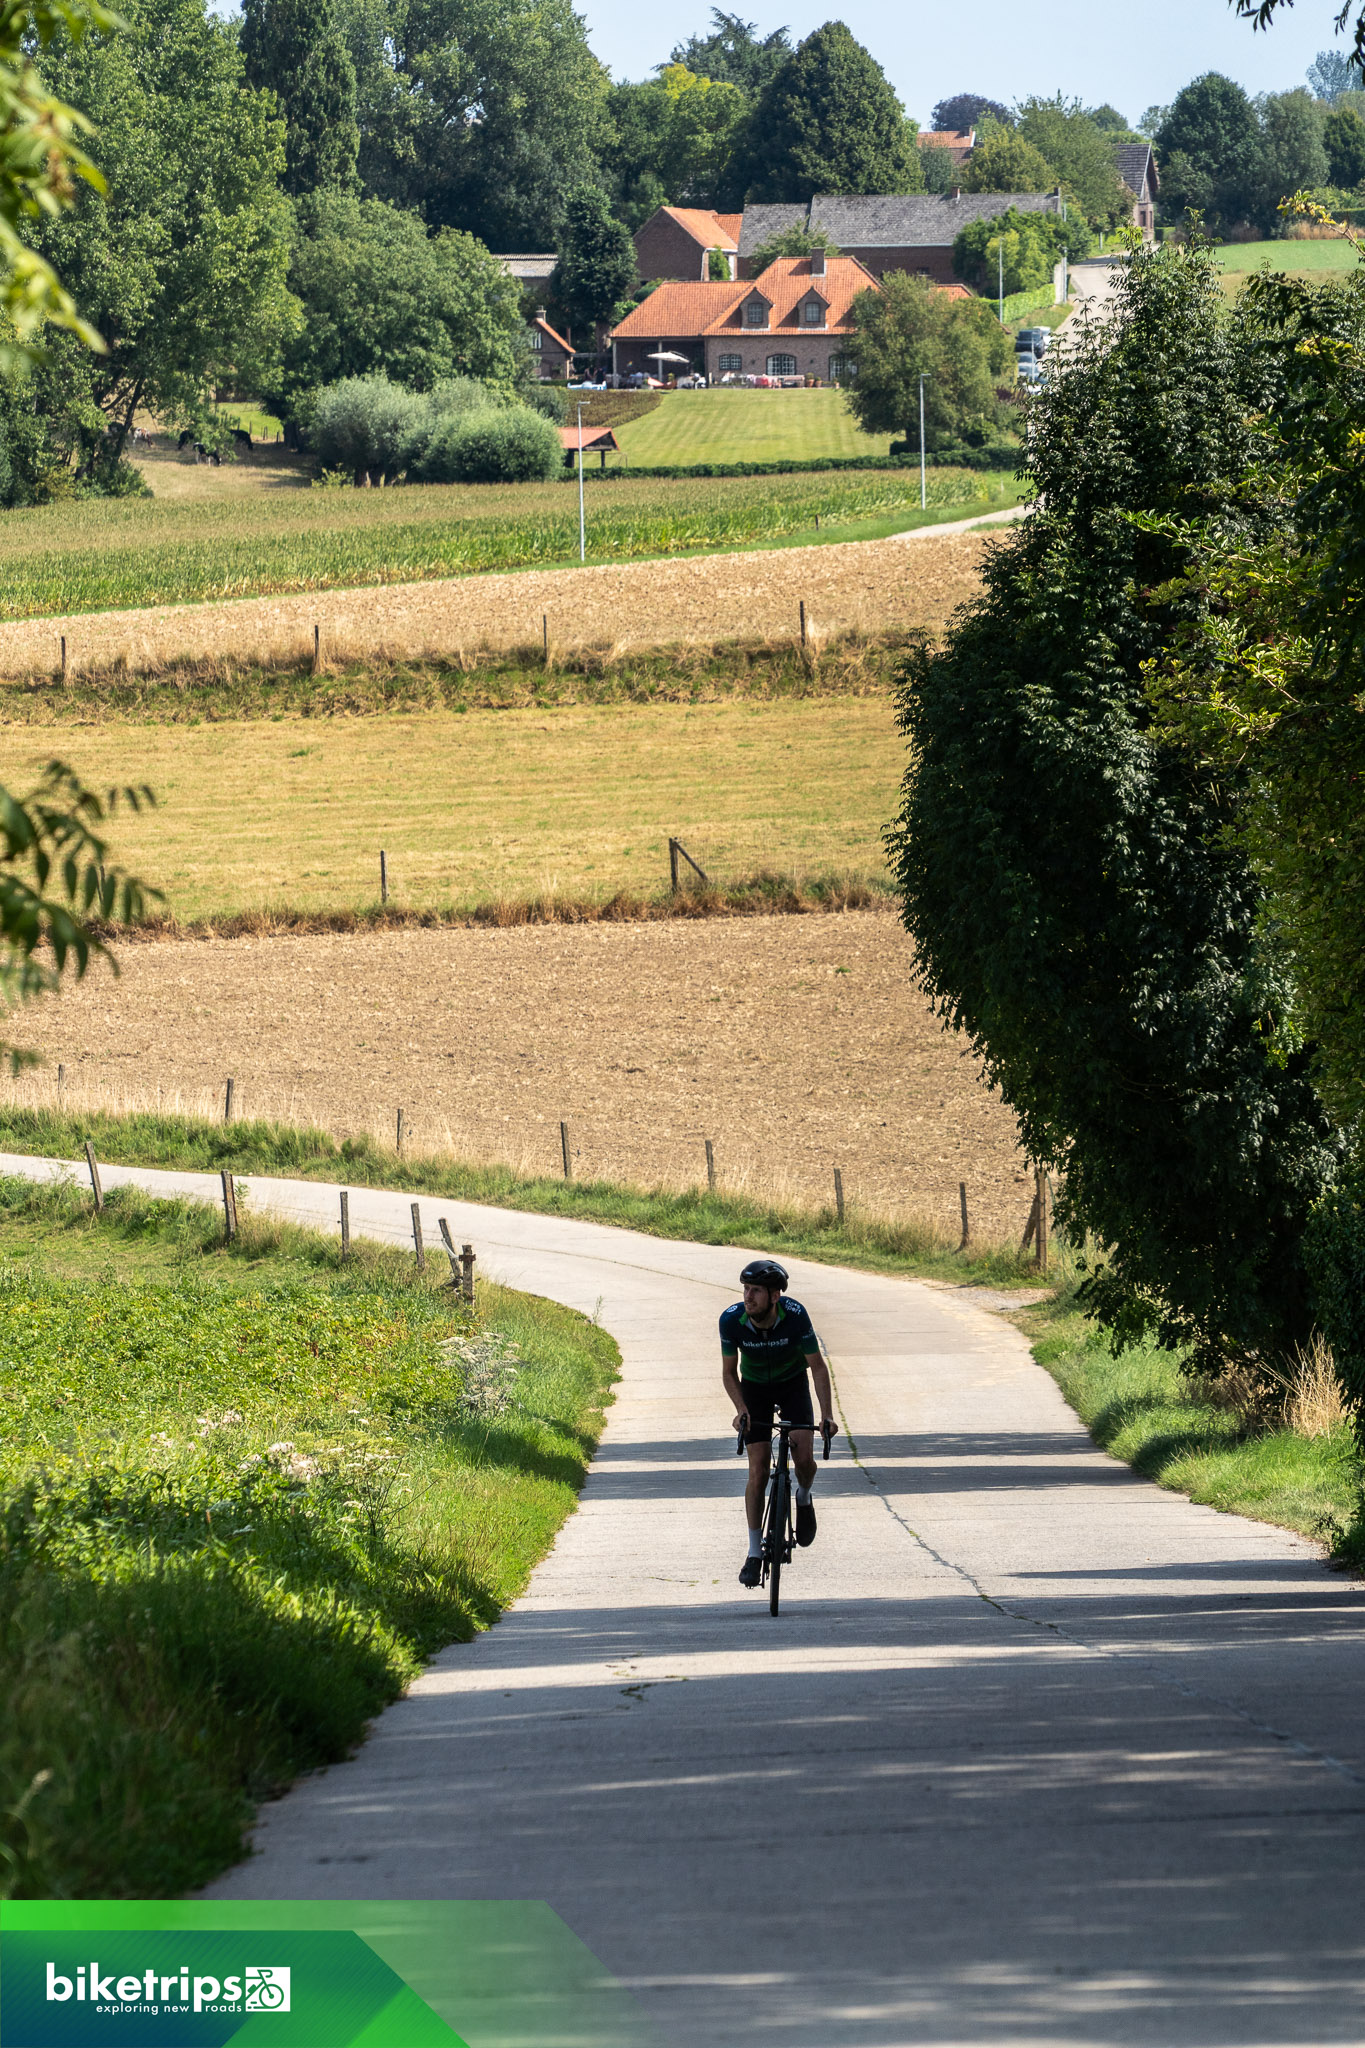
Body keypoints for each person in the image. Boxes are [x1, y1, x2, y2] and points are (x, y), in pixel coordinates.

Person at [720, 1258, 837, 1589]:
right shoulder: (731, 1321)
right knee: (757, 1469)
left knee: (804, 1460)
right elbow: (729, 1373)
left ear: (775, 1296)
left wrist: (826, 1414)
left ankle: (803, 1496)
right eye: (745, 1289)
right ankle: (754, 1552)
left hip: (791, 1384)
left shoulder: (796, 1316)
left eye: (756, 1290)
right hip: (753, 1389)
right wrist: (741, 1408)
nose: (748, 1296)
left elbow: (817, 1367)